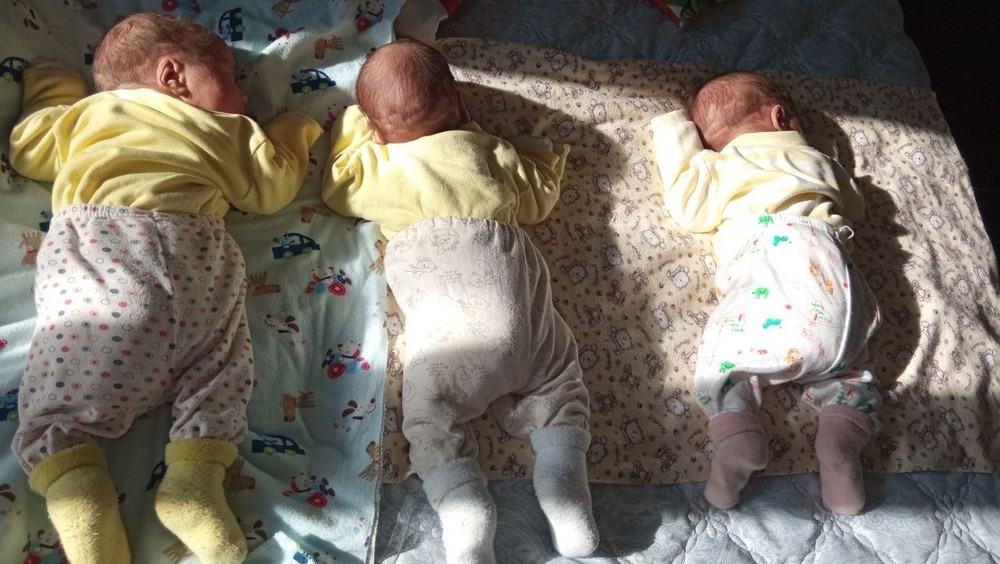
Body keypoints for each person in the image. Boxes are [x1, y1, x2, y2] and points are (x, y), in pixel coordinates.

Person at [8, 12, 322, 564]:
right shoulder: (224, 130)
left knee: (60, 399)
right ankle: (194, 482)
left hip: (104, 265)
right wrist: (296, 130)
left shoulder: (84, 118)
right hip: (199, 264)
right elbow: (271, 187)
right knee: (220, 368)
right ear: (174, 76)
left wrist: (54, 88)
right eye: (232, 81)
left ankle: (79, 490)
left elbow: (27, 149)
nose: (244, 97)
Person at [321, 39, 598, 562]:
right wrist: (541, 152)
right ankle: (564, 485)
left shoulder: (381, 169)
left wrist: (356, 125)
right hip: (525, 327)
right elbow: (539, 199)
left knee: (430, 421)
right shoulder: (489, 151)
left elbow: (338, 184)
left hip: (450, 345)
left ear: (377, 133)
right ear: (463, 108)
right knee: (562, 387)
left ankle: (465, 511)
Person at [650, 71, 882, 515]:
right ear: (782, 118)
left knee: (724, 362)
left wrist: (674, 131)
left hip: (773, 270)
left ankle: (739, 438)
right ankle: (841, 446)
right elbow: (855, 206)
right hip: (841, 292)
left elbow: (688, 208)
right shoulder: (819, 161)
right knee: (850, 375)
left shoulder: (722, 166)